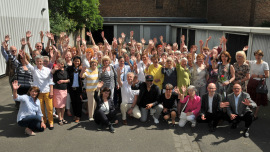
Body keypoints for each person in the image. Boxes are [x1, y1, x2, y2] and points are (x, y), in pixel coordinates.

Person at [24, 54, 54, 130]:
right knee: (41, 109)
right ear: (35, 62)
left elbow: (50, 81)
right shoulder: (33, 69)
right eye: (37, 61)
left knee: (50, 108)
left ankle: (51, 122)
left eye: (40, 61)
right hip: (38, 93)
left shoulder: (47, 70)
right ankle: (43, 121)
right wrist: (24, 57)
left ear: (42, 61)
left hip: (47, 91)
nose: (39, 62)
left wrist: (51, 91)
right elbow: (27, 63)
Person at [247, 50, 269, 120]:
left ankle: (255, 115)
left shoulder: (264, 64)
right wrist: (244, 50)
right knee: (250, 98)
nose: (258, 56)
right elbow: (242, 58)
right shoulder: (252, 62)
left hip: (259, 84)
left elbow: (267, 75)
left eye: (259, 55)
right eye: (256, 55)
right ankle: (250, 113)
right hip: (251, 82)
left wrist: (257, 75)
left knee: (257, 100)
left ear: (262, 56)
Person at [51, 58, 69, 125]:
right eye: (59, 63)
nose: (61, 65)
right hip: (57, 90)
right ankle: (59, 118)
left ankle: (62, 117)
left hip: (64, 89)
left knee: (63, 105)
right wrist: (54, 69)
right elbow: (51, 73)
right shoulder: (55, 71)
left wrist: (63, 81)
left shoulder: (66, 71)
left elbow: (69, 80)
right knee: (58, 105)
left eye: (62, 63)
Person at [67, 56, 83, 123]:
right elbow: (68, 77)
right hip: (71, 88)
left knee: (79, 102)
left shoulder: (81, 69)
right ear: (73, 61)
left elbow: (82, 78)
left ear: (80, 62)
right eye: (75, 61)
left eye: (78, 61)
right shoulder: (69, 68)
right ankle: (75, 115)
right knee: (73, 102)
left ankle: (78, 116)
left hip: (79, 89)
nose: (77, 62)